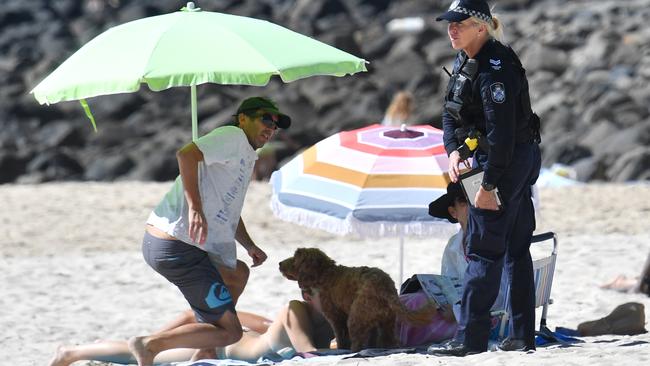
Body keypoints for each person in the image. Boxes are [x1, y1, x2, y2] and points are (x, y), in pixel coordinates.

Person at [130, 96, 292, 365]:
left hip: (181, 244)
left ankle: (205, 348)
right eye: (266, 119)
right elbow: (186, 154)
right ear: (243, 119)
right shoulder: (232, 137)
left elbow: (227, 209)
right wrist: (194, 207)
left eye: (276, 125)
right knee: (230, 332)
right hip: (176, 246)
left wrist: (249, 244)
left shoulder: (247, 153)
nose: (271, 127)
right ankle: (148, 344)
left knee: (238, 273)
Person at [431, 0, 542, 356]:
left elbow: (502, 133)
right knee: (514, 247)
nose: (452, 29)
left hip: (505, 161)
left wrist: (489, 187)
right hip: (502, 158)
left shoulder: (495, 67)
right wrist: (452, 151)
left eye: (459, 23)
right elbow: (450, 115)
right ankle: (522, 335)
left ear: (481, 27)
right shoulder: (466, 60)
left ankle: (470, 339)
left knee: (483, 250)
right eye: (449, 23)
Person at [48, 290, 335, 366]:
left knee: (139, 351)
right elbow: (308, 354)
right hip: (223, 347)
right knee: (135, 354)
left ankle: (104, 346)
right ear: (308, 295)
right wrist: (159, 336)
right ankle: (71, 352)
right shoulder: (294, 310)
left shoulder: (321, 322)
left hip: (226, 345)